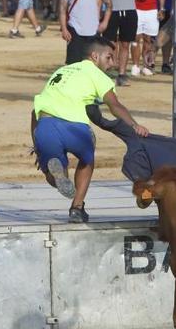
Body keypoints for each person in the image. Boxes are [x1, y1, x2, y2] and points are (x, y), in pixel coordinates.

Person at [31, 37, 149, 223]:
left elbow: (34, 111)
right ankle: (77, 208)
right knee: (87, 158)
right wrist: (134, 125)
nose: (113, 63)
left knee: (53, 172)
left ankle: (56, 172)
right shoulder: (98, 75)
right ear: (95, 56)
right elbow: (114, 105)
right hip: (75, 129)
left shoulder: (61, 71)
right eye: (109, 57)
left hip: (45, 125)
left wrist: (37, 144)